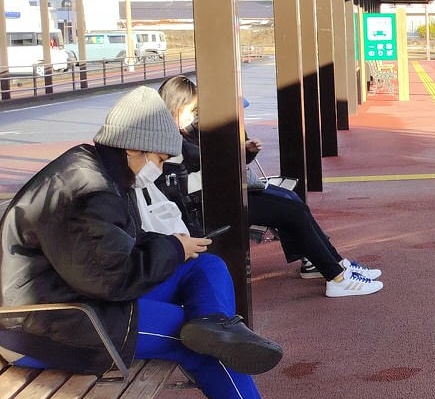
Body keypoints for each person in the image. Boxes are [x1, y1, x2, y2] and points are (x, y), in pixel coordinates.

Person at [0, 87, 332, 399]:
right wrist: (173, 247)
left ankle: (216, 324)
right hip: (47, 324)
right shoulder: (89, 192)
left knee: (205, 267)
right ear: (134, 150)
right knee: (195, 342)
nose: (160, 166)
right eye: (159, 158)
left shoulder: (96, 170)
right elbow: (112, 279)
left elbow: (108, 259)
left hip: (73, 298)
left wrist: (178, 248)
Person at [157, 76, 383, 298]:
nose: (193, 115)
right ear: (175, 106)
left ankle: (333, 265)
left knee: (292, 203)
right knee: (292, 211)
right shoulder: (168, 138)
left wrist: (244, 151)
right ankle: (336, 275)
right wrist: (235, 150)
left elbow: (216, 158)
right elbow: (208, 158)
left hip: (221, 194)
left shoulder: (186, 131)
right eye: (190, 109)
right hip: (210, 204)